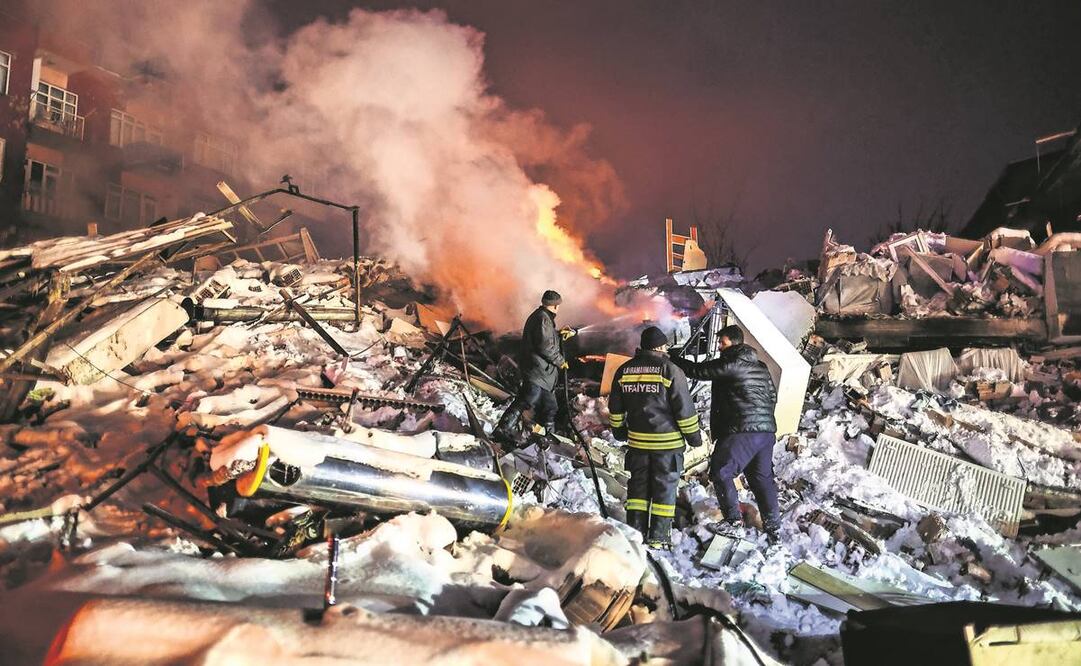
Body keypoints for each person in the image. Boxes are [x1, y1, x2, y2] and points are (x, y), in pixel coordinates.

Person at [672, 324, 781, 542]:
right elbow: (772, 396)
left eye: (722, 342)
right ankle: (774, 527)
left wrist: (675, 357)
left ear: (732, 342)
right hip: (765, 431)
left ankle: (733, 522)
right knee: (761, 478)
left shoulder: (732, 362)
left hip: (741, 429)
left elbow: (699, 371)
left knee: (721, 471)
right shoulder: (760, 366)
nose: (720, 346)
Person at [607, 326, 702, 548]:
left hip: (638, 444)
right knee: (664, 490)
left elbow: (616, 408)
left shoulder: (624, 370)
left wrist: (619, 431)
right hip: (667, 446)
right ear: (660, 346)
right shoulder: (670, 370)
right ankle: (659, 537)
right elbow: (684, 410)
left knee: (638, 490)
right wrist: (694, 438)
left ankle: (635, 533)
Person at [494, 290, 576, 443]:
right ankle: (503, 428)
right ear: (556, 306)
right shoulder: (543, 319)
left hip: (542, 374)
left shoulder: (541, 318)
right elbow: (544, 346)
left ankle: (547, 438)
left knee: (550, 407)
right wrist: (560, 361)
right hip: (537, 371)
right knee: (528, 398)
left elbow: (545, 338)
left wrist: (559, 334)